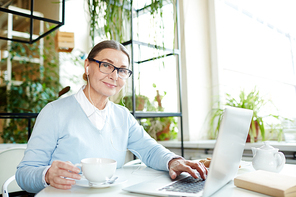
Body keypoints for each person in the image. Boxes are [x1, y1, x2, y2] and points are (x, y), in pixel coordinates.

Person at [15, 40, 208, 193]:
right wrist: (47, 174)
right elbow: (24, 174)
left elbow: (149, 150)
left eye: (122, 70)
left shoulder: (122, 115)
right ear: (88, 66)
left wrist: (173, 161)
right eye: (106, 65)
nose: (114, 75)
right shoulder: (54, 112)